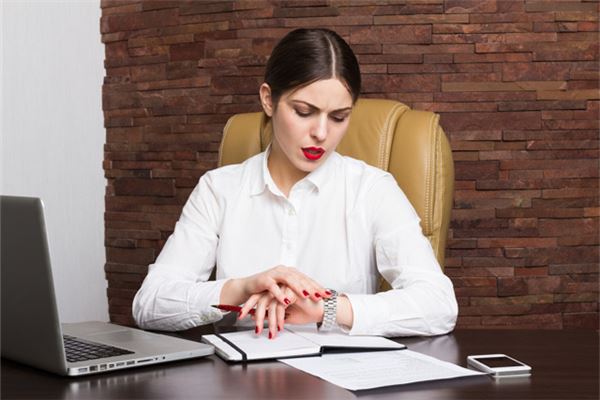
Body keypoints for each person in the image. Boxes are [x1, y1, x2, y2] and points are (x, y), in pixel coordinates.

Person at [132, 28, 457, 339]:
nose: (321, 133)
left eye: (339, 117)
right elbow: (149, 304)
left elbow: (439, 305)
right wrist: (241, 288)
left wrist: (326, 308)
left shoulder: (373, 189)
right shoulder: (219, 189)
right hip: (240, 372)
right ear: (268, 100)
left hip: (340, 373)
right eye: (303, 112)